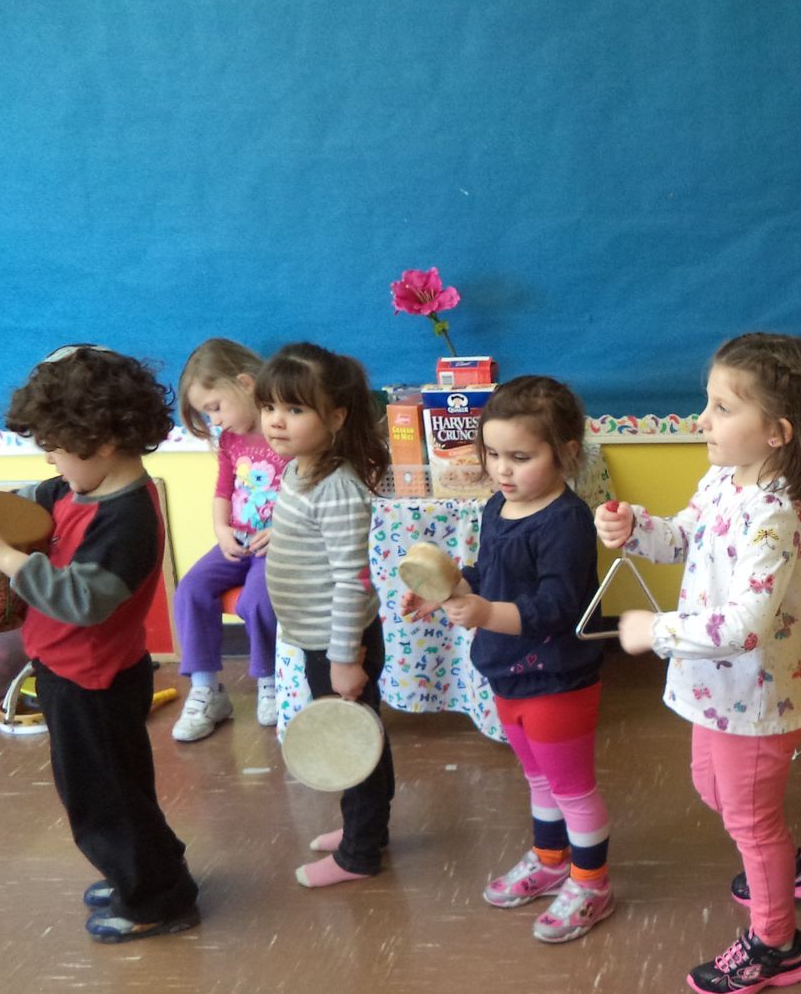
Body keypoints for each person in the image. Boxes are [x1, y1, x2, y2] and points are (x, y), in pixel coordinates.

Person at [598, 333, 801, 994]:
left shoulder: (774, 517)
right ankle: (786, 865)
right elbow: (682, 538)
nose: (701, 420)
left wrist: (658, 630)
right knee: (714, 788)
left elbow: (742, 625)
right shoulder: (723, 480)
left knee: (749, 820)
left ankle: (776, 944)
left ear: (776, 432)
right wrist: (636, 528)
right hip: (716, 693)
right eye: (708, 403)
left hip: (758, 702)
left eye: (722, 407)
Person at [0, 346, 200, 942]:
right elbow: (39, 505)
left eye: (57, 446)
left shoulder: (127, 519)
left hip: (94, 679)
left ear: (104, 441)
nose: (50, 458)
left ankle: (154, 899)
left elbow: (81, 600)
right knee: (113, 790)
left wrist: (4, 556)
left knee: (104, 800)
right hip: (71, 671)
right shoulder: (72, 490)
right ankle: (147, 871)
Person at [403, 377, 608, 942]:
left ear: (566, 452)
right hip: (506, 672)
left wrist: (486, 612)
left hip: (558, 677)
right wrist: (443, 590)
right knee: (538, 779)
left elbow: (558, 606)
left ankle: (592, 884)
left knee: (572, 788)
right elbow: (488, 579)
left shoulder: (566, 521)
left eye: (520, 456)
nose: (502, 469)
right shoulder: (499, 507)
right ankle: (550, 862)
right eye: (492, 454)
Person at [258, 343, 395, 888]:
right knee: (360, 737)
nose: (276, 421)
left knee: (351, 743)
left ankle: (360, 854)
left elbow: (352, 580)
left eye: (295, 409)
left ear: (336, 417)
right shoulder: (301, 471)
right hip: (318, 639)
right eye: (270, 407)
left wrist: (343, 659)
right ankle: (366, 829)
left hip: (339, 645)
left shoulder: (336, 488)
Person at [170, 338, 287, 741]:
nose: (215, 421)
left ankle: (271, 682)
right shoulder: (230, 440)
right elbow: (223, 491)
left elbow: (310, 490)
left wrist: (284, 530)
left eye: (215, 408)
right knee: (191, 589)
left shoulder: (285, 432)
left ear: (245, 383)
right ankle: (206, 690)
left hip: (279, 547)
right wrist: (221, 531)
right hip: (237, 540)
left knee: (259, 599)